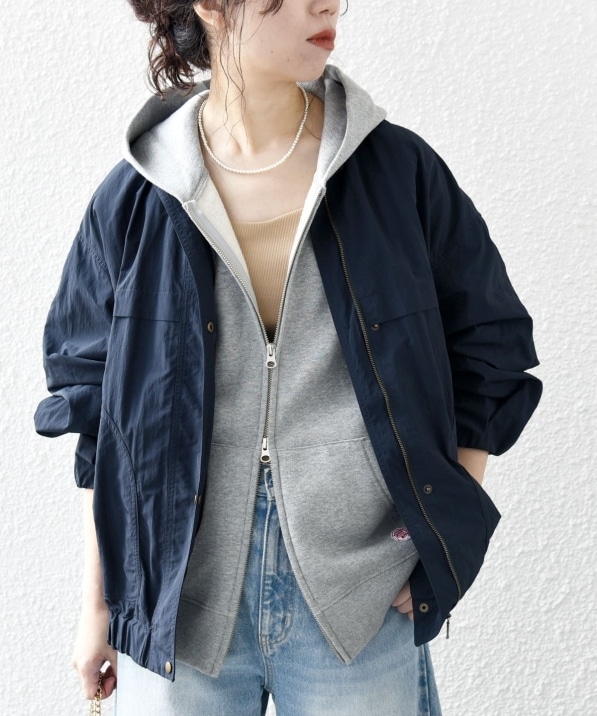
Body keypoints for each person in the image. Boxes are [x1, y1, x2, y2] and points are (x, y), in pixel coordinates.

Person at [34, 1, 542, 714]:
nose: (328, 3)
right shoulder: (137, 199)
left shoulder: (397, 175)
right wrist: (98, 607)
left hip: (358, 600)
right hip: (177, 604)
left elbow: (489, 351)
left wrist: (438, 536)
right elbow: (98, 418)